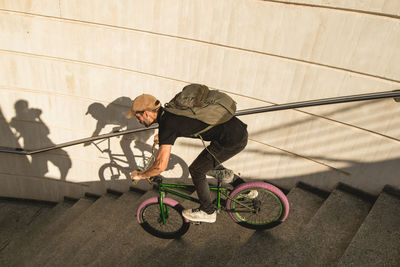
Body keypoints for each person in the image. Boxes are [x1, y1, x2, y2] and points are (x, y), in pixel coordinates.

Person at [127, 92, 248, 223]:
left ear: (146, 113)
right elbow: (182, 124)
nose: (137, 120)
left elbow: (160, 166)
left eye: (138, 117)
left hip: (231, 140)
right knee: (206, 164)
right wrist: (163, 137)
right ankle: (245, 189)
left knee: (197, 170)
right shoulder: (170, 110)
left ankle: (208, 211)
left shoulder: (168, 125)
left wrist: (141, 175)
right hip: (237, 130)